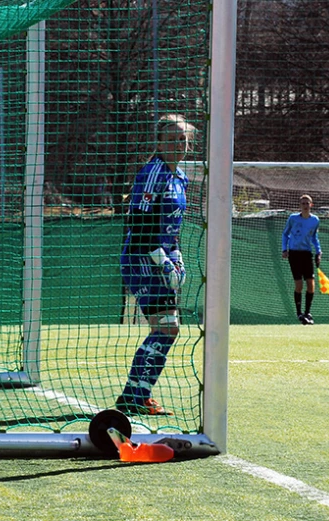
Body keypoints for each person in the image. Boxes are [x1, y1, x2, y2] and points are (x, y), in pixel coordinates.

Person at [116, 114, 196, 416]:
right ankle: (134, 396)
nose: (181, 143)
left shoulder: (180, 177)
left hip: (161, 256)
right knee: (167, 327)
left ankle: (135, 395)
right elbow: (138, 221)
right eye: (175, 138)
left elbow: (171, 227)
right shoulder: (154, 172)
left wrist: (177, 257)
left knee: (168, 329)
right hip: (142, 258)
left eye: (184, 138)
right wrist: (161, 259)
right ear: (160, 142)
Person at [281, 194, 322, 325]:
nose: (305, 205)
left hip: (306, 253)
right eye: (303, 203)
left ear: (311, 205)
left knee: (311, 284)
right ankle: (299, 313)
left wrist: (318, 251)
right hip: (294, 254)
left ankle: (307, 313)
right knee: (299, 284)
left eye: (307, 203)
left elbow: (314, 237)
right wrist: (284, 249)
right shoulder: (293, 218)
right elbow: (285, 234)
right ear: (300, 205)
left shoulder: (315, 220)